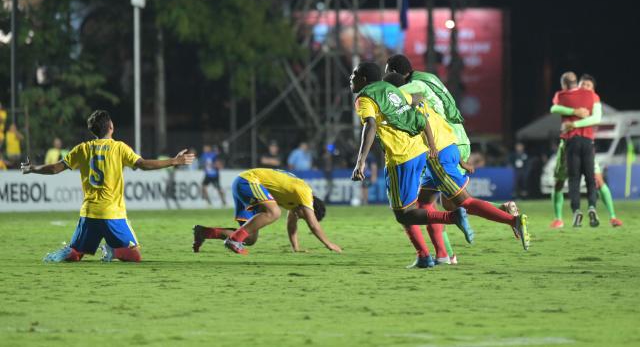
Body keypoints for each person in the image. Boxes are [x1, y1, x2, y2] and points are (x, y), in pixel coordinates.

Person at [382, 72, 530, 261]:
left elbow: (421, 129)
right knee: (424, 203)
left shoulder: (401, 104)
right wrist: (459, 159)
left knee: (462, 202)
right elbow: (439, 126)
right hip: (450, 147)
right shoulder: (420, 97)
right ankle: (443, 255)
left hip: (438, 156)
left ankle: (511, 219)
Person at [20, 110, 195, 263]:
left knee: (76, 253)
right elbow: (143, 164)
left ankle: (67, 252)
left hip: (88, 213)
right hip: (112, 214)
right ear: (111, 126)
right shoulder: (118, 148)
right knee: (135, 256)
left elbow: (55, 168)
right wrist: (174, 161)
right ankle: (112, 250)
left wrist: (32, 168)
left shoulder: (83, 149)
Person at [350, 62, 476, 269]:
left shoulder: (364, 98)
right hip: (419, 151)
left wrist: (360, 161)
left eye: (354, 74)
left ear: (364, 79)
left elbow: (370, 125)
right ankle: (425, 256)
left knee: (404, 214)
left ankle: (452, 217)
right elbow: (417, 99)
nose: (351, 78)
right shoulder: (390, 90)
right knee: (409, 209)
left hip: (401, 156)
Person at [193, 168, 342, 255]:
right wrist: (329, 244)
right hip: (249, 181)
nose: (300, 217)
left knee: (250, 239)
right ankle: (234, 240)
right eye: (306, 216)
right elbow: (314, 225)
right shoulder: (305, 192)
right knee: (274, 213)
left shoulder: (296, 203)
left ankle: (204, 232)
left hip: (242, 186)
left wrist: (296, 248)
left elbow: (291, 225)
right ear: (311, 208)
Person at [549, 74, 622, 228]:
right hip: (567, 143)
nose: (585, 88)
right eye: (583, 85)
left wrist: (574, 123)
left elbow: (596, 118)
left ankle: (612, 216)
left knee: (597, 180)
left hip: (584, 142)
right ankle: (558, 218)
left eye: (588, 85)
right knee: (560, 182)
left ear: (593, 88)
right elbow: (555, 107)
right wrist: (574, 111)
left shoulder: (592, 98)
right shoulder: (574, 98)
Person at [551, 72, 600, 227]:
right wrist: (579, 114)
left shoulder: (561, 95)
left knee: (573, 180)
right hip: (588, 141)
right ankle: (592, 207)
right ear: (577, 82)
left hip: (570, 142)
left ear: (564, 84)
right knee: (591, 179)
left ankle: (576, 212)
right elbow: (597, 118)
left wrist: (573, 121)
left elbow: (553, 108)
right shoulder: (592, 96)